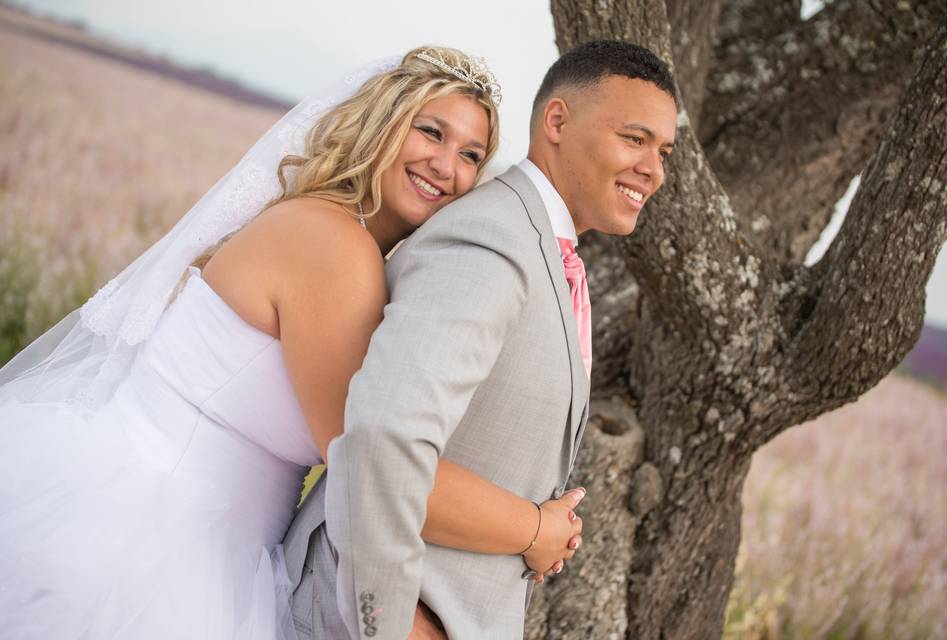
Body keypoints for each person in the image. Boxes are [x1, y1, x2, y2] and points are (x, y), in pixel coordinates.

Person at [0, 46, 583, 640]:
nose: (446, 166)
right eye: (430, 132)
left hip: (219, 542)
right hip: (143, 539)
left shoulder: (344, 239)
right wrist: (533, 530)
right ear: (382, 126)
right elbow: (373, 473)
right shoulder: (333, 246)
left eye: (470, 156)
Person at [286, 39, 679, 639]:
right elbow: (383, 436)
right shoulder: (491, 239)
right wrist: (385, 625)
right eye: (635, 139)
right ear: (557, 121)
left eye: (663, 150)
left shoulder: (546, 250)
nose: (654, 169)